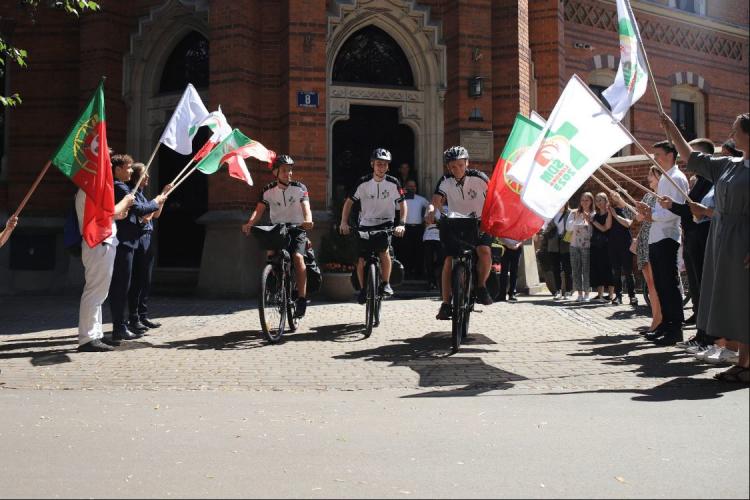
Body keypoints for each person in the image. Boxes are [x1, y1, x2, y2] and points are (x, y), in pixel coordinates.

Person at [660, 111, 749, 383]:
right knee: (732, 300)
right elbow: (690, 156)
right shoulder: (728, 165)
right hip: (722, 240)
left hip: (744, 241)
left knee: (745, 300)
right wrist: (671, 127)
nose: (731, 134)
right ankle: (743, 363)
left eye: (736, 129)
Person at [658, 138, 714, 347]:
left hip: (702, 237)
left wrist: (678, 207)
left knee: (702, 286)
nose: (687, 157)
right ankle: (701, 335)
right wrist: (672, 205)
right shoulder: (699, 181)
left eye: (692, 154)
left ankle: (708, 337)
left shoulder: (710, 180)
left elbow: (702, 211)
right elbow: (689, 210)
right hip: (692, 237)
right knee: (696, 288)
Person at [242, 155, 314, 317]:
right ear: (276, 172)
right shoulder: (268, 191)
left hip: (297, 227)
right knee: (271, 256)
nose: (288, 173)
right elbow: (258, 210)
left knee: (297, 257)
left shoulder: (299, 188)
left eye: (290, 170)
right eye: (284, 170)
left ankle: (301, 298)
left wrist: (308, 220)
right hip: (277, 228)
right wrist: (249, 223)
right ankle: (276, 283)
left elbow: (306, 207)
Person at [426, 146, 493, 320]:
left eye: (460, 165)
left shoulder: (479, 178)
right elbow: (436, 200)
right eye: (453, 166)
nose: (457, 170)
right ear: (448, 167)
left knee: (484, 251)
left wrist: (492, 218)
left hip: (479, 222)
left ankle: (481, 286)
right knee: (449, 259)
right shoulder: (445, 180)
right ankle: (446, 303)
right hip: (456, 223)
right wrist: (432, 211)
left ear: (467, 163)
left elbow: (493, 198)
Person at [108, 154, 169, 342]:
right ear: (117, 170)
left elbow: (143, 211)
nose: (130, 171)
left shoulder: (126, 188)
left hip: (129, 241)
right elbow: (142, 211)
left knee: (131, 283)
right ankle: (120, 326)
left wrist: (158, 200)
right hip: (123, 241)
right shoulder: (120, 187)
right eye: (127, 168)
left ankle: (123, 324)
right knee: (120, 286)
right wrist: (156, 200)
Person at [636, 141, 689, 345]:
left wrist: (652, 216)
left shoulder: (677, 178)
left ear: (670, 154)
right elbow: (662, 210)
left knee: (669, 283)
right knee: (661, 284)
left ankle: (675, 328)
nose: (655, 157)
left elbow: (674, 210)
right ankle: (665, 324)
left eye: (657, 154)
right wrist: (650, 213)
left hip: (667, 236)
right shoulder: (666, 178)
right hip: (657, 236)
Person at [339, 148, 406, 304]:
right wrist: (344, 222)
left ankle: (385, 283)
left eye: (384, 164)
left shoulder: (393, 182)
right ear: (372, 165)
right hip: (366, 223)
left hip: (386, 223)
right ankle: (363, 290)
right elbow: (349, 202)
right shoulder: (363, 182)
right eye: (378, 164)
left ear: (388, 167)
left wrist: (401, 223)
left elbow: (402, 204)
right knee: (361, 259)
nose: (381, 167)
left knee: (384, 252)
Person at [76, 182, 134, 352]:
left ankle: (95, 334)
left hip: (102, 241)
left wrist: (116, 216)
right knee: (95, 291)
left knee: (99, 292)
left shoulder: (90, 188)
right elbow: (107, 212)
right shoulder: (90, 188)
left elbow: (101, 215)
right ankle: (88, 337)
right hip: (98, 242)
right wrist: (126, 200)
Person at [127, 164, 172, 332]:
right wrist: (157, 199)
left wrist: (162, 198)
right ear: (137, 177)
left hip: (147, 238)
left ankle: (143, 315)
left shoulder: (142, 195)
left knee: (145, 280)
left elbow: (155, 214)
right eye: (144, 174)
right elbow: (145, 216)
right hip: (139, 239)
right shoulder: (132, 195)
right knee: (137, 280)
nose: (148, 177)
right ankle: (134, 317)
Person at [634, 167, 663, 332]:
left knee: (657, 283)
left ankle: (660, 319)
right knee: (650, 283)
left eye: (651, 175)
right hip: (644, 239)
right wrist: (639, 212)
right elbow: (638, 218)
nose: (648, 178)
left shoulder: (662, 196)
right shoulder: (647, 195)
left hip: (656, 238)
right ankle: (655, 318)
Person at [607, 191, 637, 305]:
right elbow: (608, 226)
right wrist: (610, 214)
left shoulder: (628, 209)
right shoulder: (611, 209)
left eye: (615, 196)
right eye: (612, 197)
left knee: (628, 271)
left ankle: (632, 296)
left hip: (625, 242)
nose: (613, 199)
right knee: (616, 271)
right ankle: (618, 296)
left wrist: (615, 215)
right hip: (613, 243)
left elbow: (628, 223)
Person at [396, 179, 429, 279]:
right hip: (405, 228)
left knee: (419, 251)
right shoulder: (400, 200)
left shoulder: (421, 199)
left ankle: (419, 273)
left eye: (413, 186)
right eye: (409, 186)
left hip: (418, 228)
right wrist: (401, 194)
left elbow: (430, 207)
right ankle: (406, 272)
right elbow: (396, 208)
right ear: (405, 187)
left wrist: (426, 217)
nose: (412, 188)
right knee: (405, 251)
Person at [567, 192, 594, 302]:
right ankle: (579, 293)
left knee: (586, 269)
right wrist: (575, 219)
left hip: (587, 246)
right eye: (582, 200)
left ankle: (587, 293)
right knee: (576, 269)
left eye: (587, 200)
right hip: (574, 245)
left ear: (591, 201)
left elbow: (594, 230)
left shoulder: (593, 214)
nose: (584, 202)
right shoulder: (574, 213)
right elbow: (568, 228)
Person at [589, 192, 614, 303]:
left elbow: (605, 228)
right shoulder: (595, 215)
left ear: (606, 201)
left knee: (607, 269)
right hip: (595, 245)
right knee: (597, 269)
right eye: (597, 200)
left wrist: (593, 222)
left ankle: (611, 294)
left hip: (606, 245)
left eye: (600, 200)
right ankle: (599, 294)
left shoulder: (609, 213)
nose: (598, 203)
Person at [544, 204, 572, 300]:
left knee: (567, 268)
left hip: (566, 243)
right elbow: (546, 227)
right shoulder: (552, 214)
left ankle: (568, 291)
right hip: (553, 243)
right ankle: (558, 291)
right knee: (555, 268)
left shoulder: (570, 213)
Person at [422, 207, 443, 290]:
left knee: (441, 258)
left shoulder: (447, 208)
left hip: (441, 237)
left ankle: (434, 273)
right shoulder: (430, 207)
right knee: (428, 259)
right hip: (429, 236)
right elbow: (428, 220)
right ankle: (431, 281)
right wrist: (438, 220)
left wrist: (436, 220)